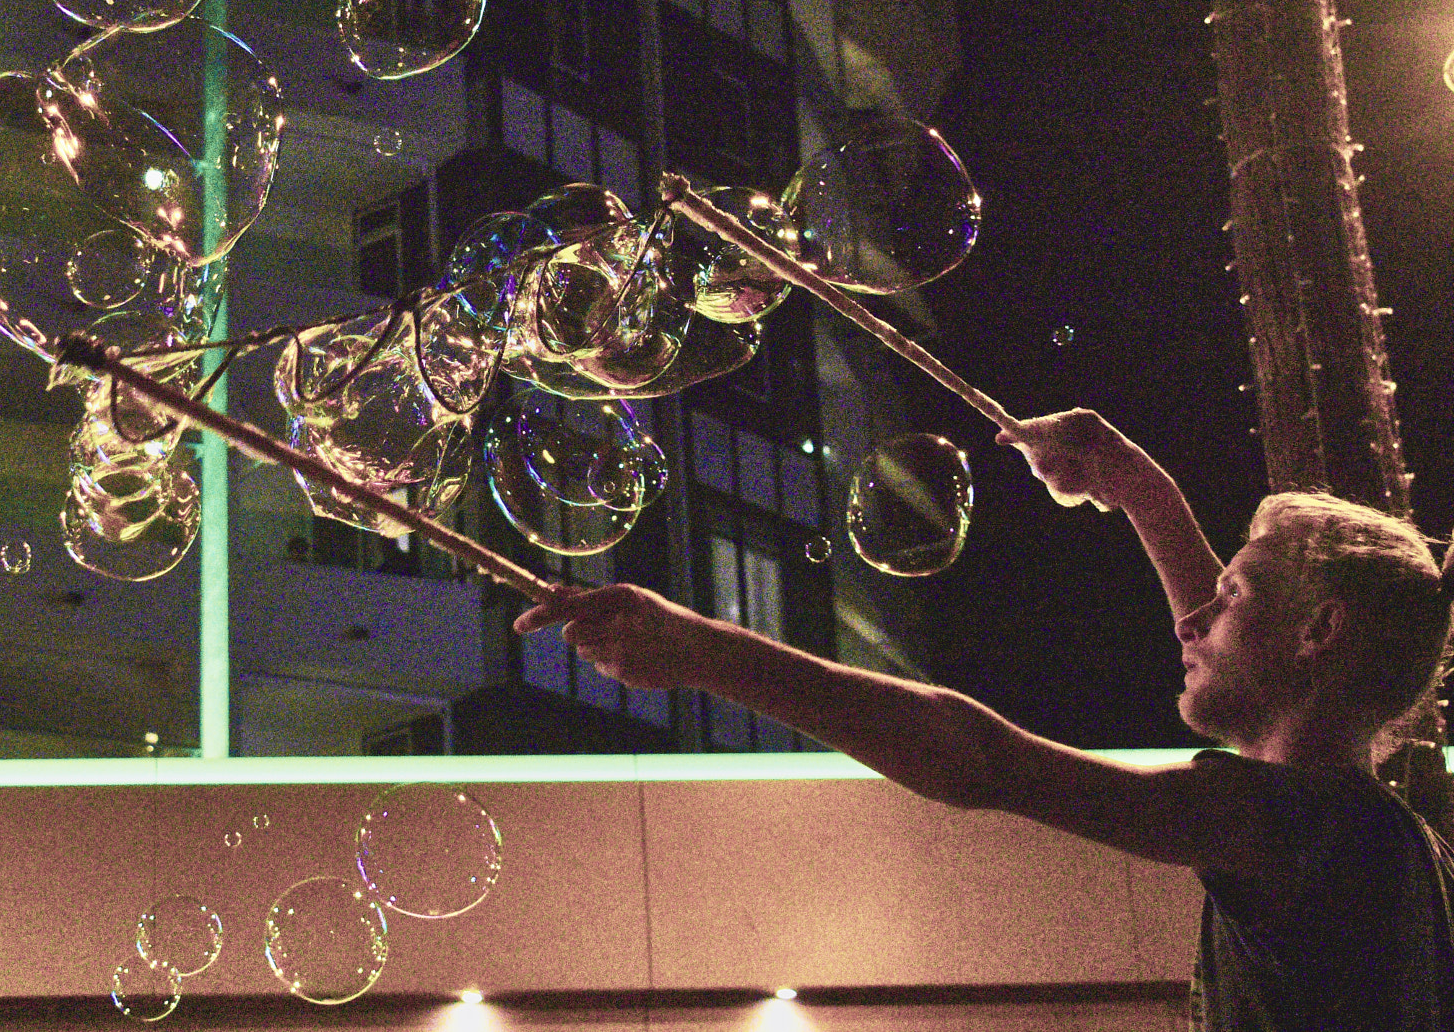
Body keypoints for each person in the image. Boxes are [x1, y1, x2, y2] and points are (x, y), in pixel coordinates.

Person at [515, 409, 1454, 1029]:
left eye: (1232, 594)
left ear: (1318, 634)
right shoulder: (1380, 837)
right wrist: (1138, 489)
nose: (1193, 619)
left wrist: (702, 650)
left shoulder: (1305, 827)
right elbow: (1244, 672)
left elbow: (985, 759)